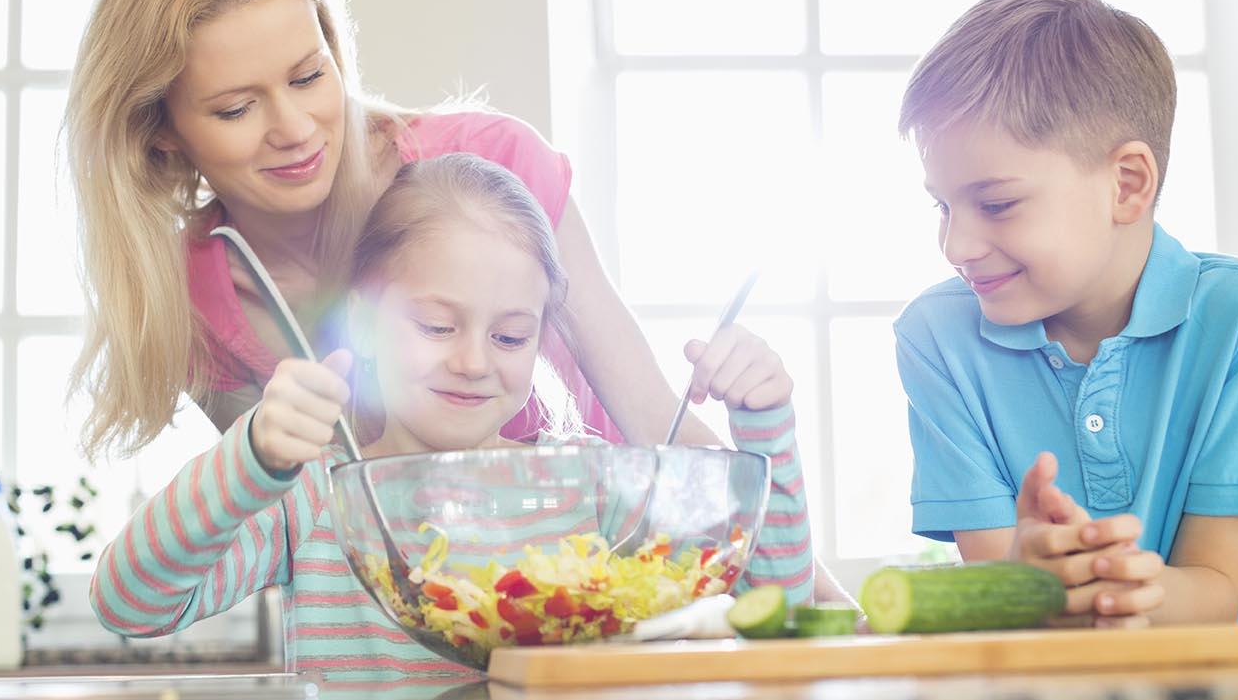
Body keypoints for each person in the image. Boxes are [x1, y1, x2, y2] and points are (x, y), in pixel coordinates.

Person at [90, 153, 820, 684]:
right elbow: (129, 600)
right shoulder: (316, 497)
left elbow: (778, 604)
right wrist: (250, 458)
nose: (475, 361)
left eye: (510, 336)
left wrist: (763, 422)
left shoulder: (587, 485)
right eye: (437, 326)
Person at [65, 0, 715, 457]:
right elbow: (297, 521)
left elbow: (658, 422)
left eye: (307, 77)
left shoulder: (492, 163)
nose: (295, 129)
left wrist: (810, 600)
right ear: (161, 131)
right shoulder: (189, 301)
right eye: (236, 109)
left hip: (607, 580)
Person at [894, 0, 1238, 625]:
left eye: (995, 204)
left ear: (1127, 185)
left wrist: (1106, 587)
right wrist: (1033, 581)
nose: (955, 244)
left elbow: (1216, 590)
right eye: (942, 205)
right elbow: (1003, 592)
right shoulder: (937, 337)